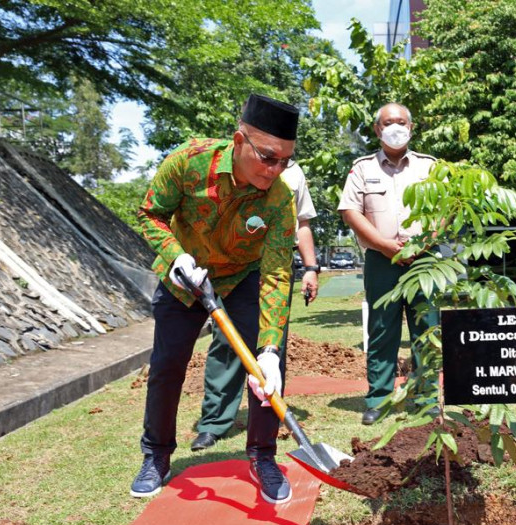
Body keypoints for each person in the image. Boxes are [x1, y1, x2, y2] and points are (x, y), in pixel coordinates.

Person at [131, 93, 299, 504]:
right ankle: (157, 454)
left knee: (263, 372)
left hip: (243, 277)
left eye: (285, 162)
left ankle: (263, 455)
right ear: (240, 142)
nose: (275, 170)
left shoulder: (279, 198)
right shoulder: (189, 161)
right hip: (184, 277)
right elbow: (149, 214)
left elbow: (277, 271)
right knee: (167, 366)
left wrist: (272, 348)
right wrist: (177, 257)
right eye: (268, 157)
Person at [189, 161, 321, 452]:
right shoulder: (237, 165)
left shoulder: (295, 173)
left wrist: (311, 267)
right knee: (226, 342)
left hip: (275, 269)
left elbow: (303, 224)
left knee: (272, 347)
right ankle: (213, 422)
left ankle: (268, 422)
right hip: (235, 268)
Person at [337, 102, 439, 425]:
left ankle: (426, 398)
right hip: (381, 261)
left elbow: (449, 209)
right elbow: (350, 211)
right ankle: (378, 398)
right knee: (381, 330)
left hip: (425, 260)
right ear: (377, 130)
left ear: (411, 127)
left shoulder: (430, 167)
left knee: (426, 328)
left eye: (401, 122)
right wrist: (384, 245)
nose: (395, 127)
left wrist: (424, 243)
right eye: (388, 122)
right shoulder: (363, 169)